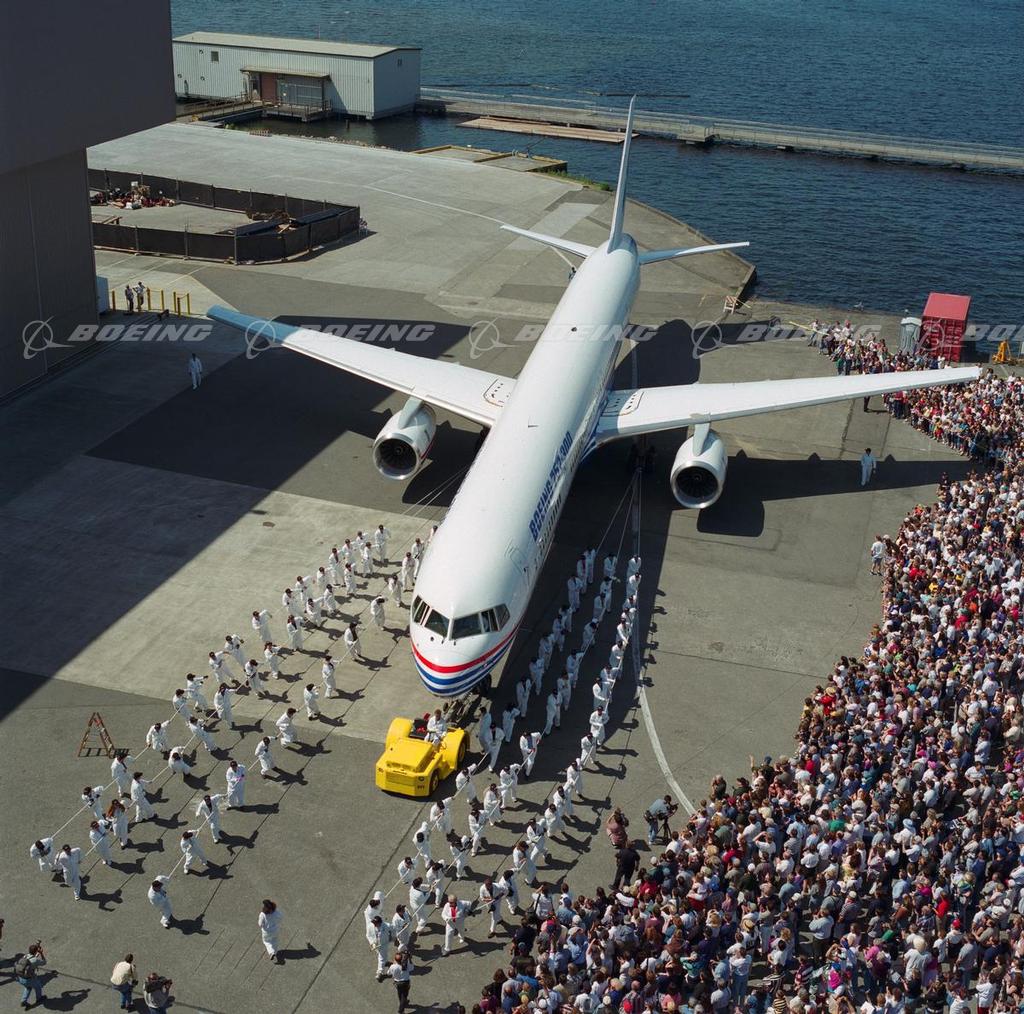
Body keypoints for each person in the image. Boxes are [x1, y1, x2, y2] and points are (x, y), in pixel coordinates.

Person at [15, 941, 46, 1009]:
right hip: (29, 979)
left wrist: (36, 954)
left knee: (28, 988)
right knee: (38, 986)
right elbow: (44, 962)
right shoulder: (35, 960)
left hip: (21, 978)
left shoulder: (25, 956)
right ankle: (39, 998)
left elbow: (31, 959)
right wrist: (41, 953)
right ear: (36, 951)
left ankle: (23, 1001)